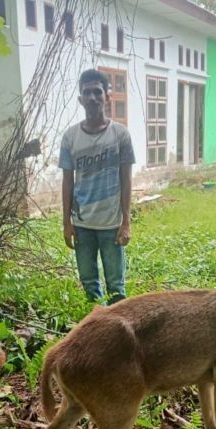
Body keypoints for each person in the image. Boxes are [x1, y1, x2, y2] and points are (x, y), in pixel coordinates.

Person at [59, 68, 135, 305]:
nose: (92, 97)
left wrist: (126, 222)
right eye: (86, 93)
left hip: (111, 225)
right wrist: (66, 223)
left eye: (97, 92)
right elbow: (67, 181)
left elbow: (126, 180)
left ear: (106, 97)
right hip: (82, 226)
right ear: (80, 99)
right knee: (89, 284)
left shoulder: (121, 135)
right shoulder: (70, 137)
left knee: (116, 288)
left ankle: (120, 336)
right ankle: (98, 331)